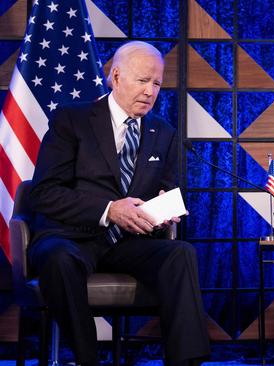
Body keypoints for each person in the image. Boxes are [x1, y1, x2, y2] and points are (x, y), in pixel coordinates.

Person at [27, 41, 210, 366]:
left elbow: (166, 191)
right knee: (58, 259)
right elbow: (44, 192)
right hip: (70, 236)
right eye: (142, 80)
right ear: (115, 76)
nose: (150, 91)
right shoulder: (72, 119)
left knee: (181, 253)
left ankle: (187, 362)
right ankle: (87, 360)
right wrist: (109, 210)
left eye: (156, 83)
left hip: (127, 243)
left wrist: (164, 213)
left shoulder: (162, 132)